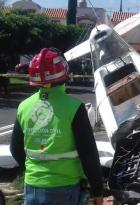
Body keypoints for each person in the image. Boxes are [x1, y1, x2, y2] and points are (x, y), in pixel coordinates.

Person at [10, 48, 103, 205]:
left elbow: (15, 149)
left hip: (32, 186)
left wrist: (35, 171)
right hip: (64, 187)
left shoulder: (24, 107)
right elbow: (89, 154)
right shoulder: (74, 107)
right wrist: (97, 191)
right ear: (63, 72)